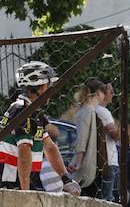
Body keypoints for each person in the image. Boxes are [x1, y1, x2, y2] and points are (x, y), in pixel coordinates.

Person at [0, 61, 79, 195]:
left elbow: (49, 147)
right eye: (49, 86)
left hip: (22, 181)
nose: (51, 90)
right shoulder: (22, 110)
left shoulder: (32, 111)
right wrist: (25, 193)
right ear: (42, 87)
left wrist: (66, 179)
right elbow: (24, 150)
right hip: (12, 183)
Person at [69, 78, 104, 197]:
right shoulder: (88, 110)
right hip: (87, 165)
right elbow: (82, 138)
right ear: (98, 93)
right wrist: (78, 163)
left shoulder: (87, 110)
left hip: (92, 163)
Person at [96, 82, 120, 202]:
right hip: (108, 160)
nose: (113, 94)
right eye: (111, 91)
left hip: (100, 160)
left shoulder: (93, 110)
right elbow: (115, 135)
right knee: (107, 200)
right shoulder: (103, 112)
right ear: (103, 93)